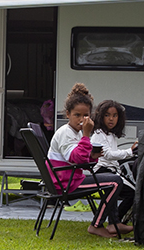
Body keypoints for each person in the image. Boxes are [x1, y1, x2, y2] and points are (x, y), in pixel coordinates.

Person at [47, 83, 133, 238]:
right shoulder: (66, 133)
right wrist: (87, 134)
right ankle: (96, 225)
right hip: (67, 182)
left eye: (85, 115)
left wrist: (92, 157)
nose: (81, 119)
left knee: (113, 181)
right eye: (77, 115)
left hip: (71, 178)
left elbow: (81, 161)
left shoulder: (76, 132)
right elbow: (77, 158)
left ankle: (113, 222)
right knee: (114, 182)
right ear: (68, 114)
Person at [90, 100, 136, 220]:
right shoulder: (99, 134)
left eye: (115, 115)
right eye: (107, 115)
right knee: (131, 193)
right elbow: (108, 155)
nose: (111, 119)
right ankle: (115, 221)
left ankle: (114, 222)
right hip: (102, 170)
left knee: (120, 194)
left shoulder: (110, 134)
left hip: (109, 170)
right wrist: (129, 152)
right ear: (100, 116)